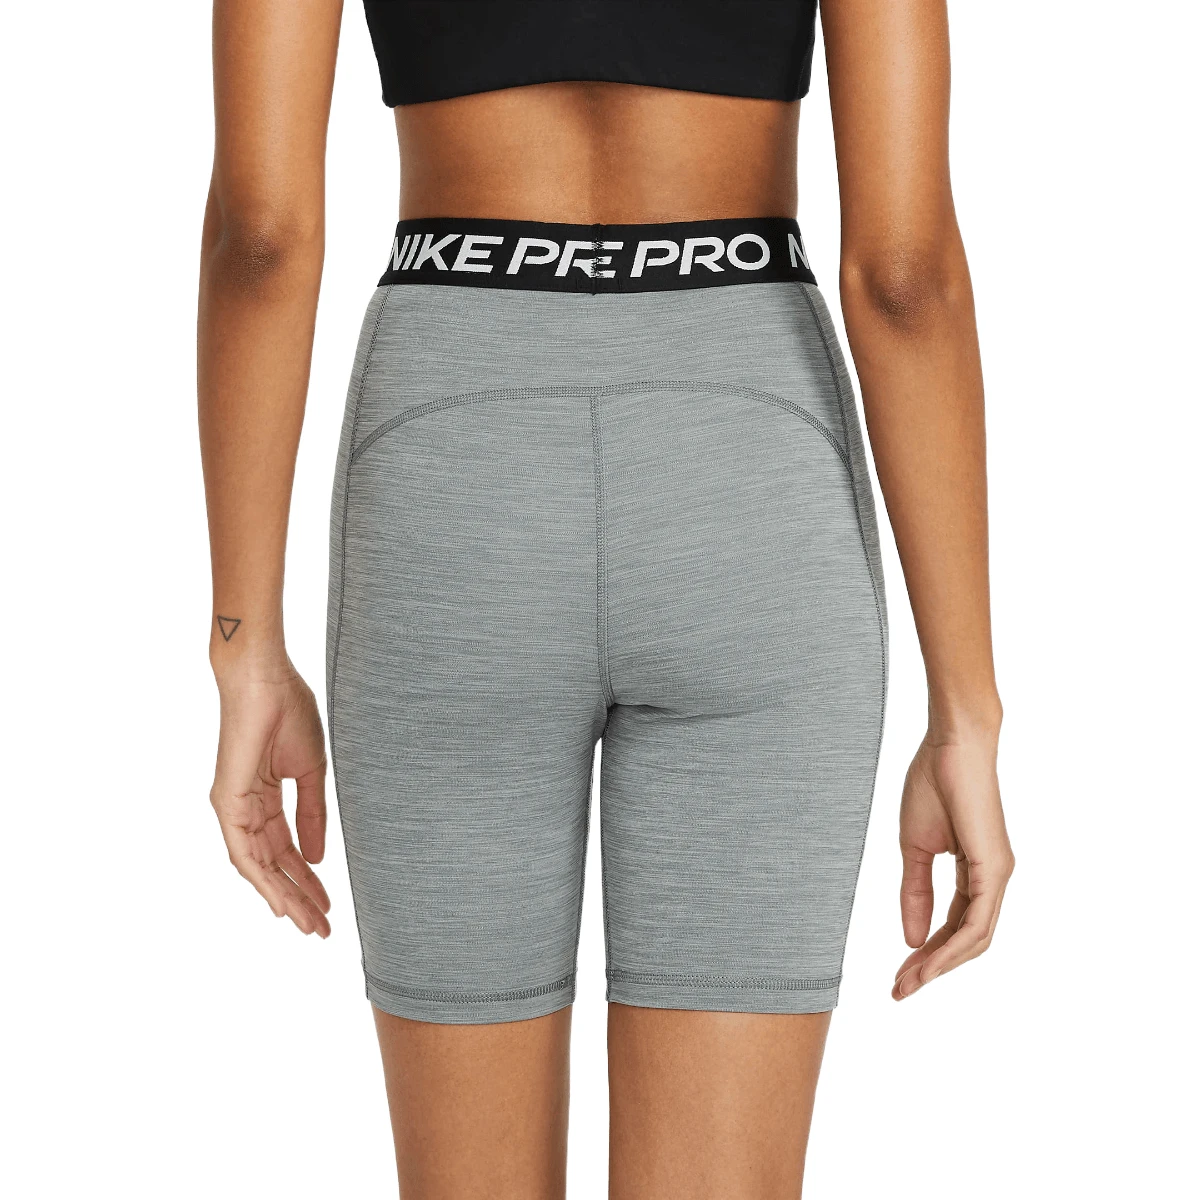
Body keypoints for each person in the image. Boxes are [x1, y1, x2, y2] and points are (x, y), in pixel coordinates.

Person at [198, 1, 1015, 1194]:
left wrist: (243, 646)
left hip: (455, 468)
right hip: (747, 459)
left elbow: (264, 237)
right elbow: (904, 274)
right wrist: (966, 712)